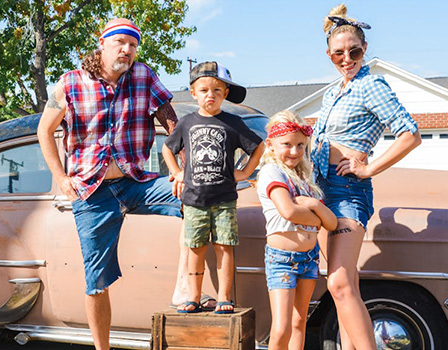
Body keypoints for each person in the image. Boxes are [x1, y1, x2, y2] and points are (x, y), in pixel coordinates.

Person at [36, 18, 206, 350]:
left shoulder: (143, 76)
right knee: (96, 282)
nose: (127, 50)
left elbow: (170, 120)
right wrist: (61, 177)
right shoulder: (70, 83)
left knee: (196, 198)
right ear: (103, 44)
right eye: (120, 43)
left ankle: (186, 289)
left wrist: (183, 167)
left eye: (132, 45)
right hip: (92, 192)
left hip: (136, 181)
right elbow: (44, 130)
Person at [312, 5, 422, 349]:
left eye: (354, 51)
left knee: (339, 284)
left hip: (347, 189)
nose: (347, 58)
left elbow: (410, 133)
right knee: (345, 284)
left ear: (365, 49)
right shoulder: (334, 91)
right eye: (338, 54)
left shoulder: (370, 84)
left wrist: (368, 168)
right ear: (329, 55)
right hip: (322, 188)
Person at [162, 61, 265, 314]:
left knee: (224, 247)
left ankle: (224, 298)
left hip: (225, 200)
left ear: (225, 95)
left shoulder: (232, 123)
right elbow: (167, 148)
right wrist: (177, 173)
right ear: (193, 92)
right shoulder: (186, 123)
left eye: (217, 91)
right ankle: (193, 297)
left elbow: (258, 147)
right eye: (204, 90)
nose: (211, 95)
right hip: (194, 199)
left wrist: (246, 172)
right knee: (195, 248)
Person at [256, 111, 337, 350]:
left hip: (308, 258)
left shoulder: (304, 178)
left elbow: (331, 224)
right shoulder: (272, 172)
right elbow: (288, 211)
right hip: (282, 258)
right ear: (270, 144)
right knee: (281, 326)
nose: (294, 151)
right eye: (287, 145)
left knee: (299, 321)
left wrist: (312, 204)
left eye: (300, 145)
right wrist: (318, 216)